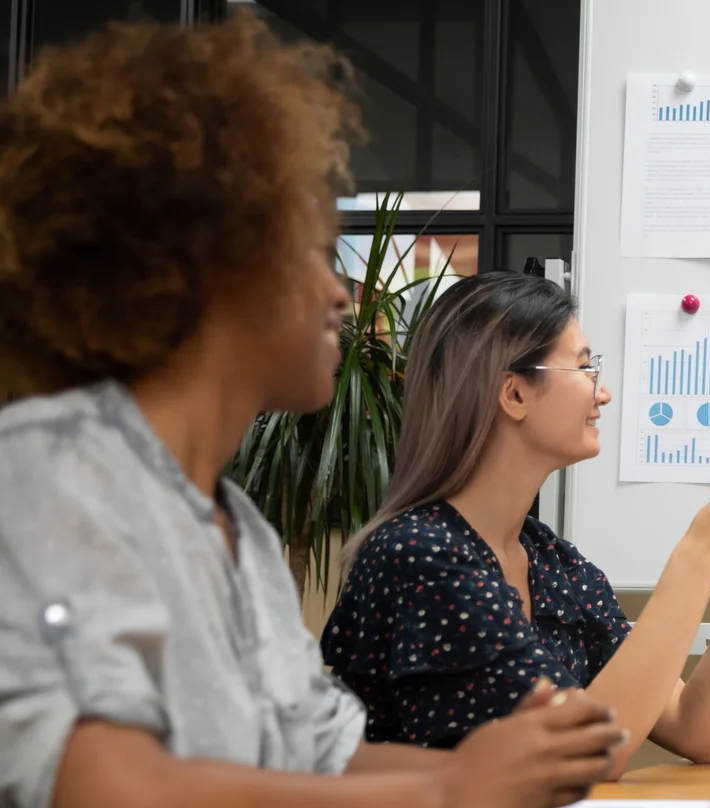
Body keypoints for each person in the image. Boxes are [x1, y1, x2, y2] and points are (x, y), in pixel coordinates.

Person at [0, 15, 623, 808]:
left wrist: (505, 767)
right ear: (208, 268)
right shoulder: (53, 472)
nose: (339, 293)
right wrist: (449, 789)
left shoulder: (238, 531)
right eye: (308, 250)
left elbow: (320, 760)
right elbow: (107, 786)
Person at [322, 271, 710, 769]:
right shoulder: (420, 557)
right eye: (586, 369)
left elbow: (693, 727)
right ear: (514, 393)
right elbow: (587, 752)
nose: (603, 393)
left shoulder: (554, 565)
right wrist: (699, 552)